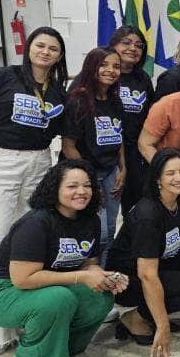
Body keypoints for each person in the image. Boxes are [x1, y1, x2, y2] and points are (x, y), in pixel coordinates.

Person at [0, 26, 68, 357]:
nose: (46, 52)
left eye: (53, 48)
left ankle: (22, 316)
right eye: (40, 45)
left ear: (59, 55)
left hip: (38, 162)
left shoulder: (57, 91)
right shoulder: (2, 77)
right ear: (29, 48)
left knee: (29, 243)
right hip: (0, 160)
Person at [0, 159, 123, 357]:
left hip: (52, 286)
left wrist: (104, 277)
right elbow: (22, 279)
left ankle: (62, 347)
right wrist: (81, 277)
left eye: (87, 185)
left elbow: (89, 264)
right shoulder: (36, 223)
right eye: (72, 186)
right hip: (3, 293)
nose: (81, 192)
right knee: (57, 299)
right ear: (55, 189)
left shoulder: (91, 220)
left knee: (100, 296)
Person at [106, 148, 180, 357]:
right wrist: (164, 327)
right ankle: (135, 318)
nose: (179, 178)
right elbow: (147, 275)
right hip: (128, 280)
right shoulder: (148, 214)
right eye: (170, 173)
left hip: (161, 262)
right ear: (158, 179)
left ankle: (149, 315)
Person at [61, 47, 125, 263]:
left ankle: (104, 274)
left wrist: (123, 169)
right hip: (87, 175)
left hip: (111, 172)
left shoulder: (115, 100)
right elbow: (68, 145)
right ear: (92, 67)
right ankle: (89, 277)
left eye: (116, 66)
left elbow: (119, 136)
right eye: (104, 65)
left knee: (110, 228)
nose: (111, 70)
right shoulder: (78, 100)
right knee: (97, 232)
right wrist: (87, 181)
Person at [107, 25, 154, 215]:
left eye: (138, 45)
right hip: (105, 152)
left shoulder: (143, 78)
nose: (133, 48)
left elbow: (151, 114)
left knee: (134, 209)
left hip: (135, 153)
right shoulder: (105, 75)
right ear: (113, 45)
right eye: (126, 43)